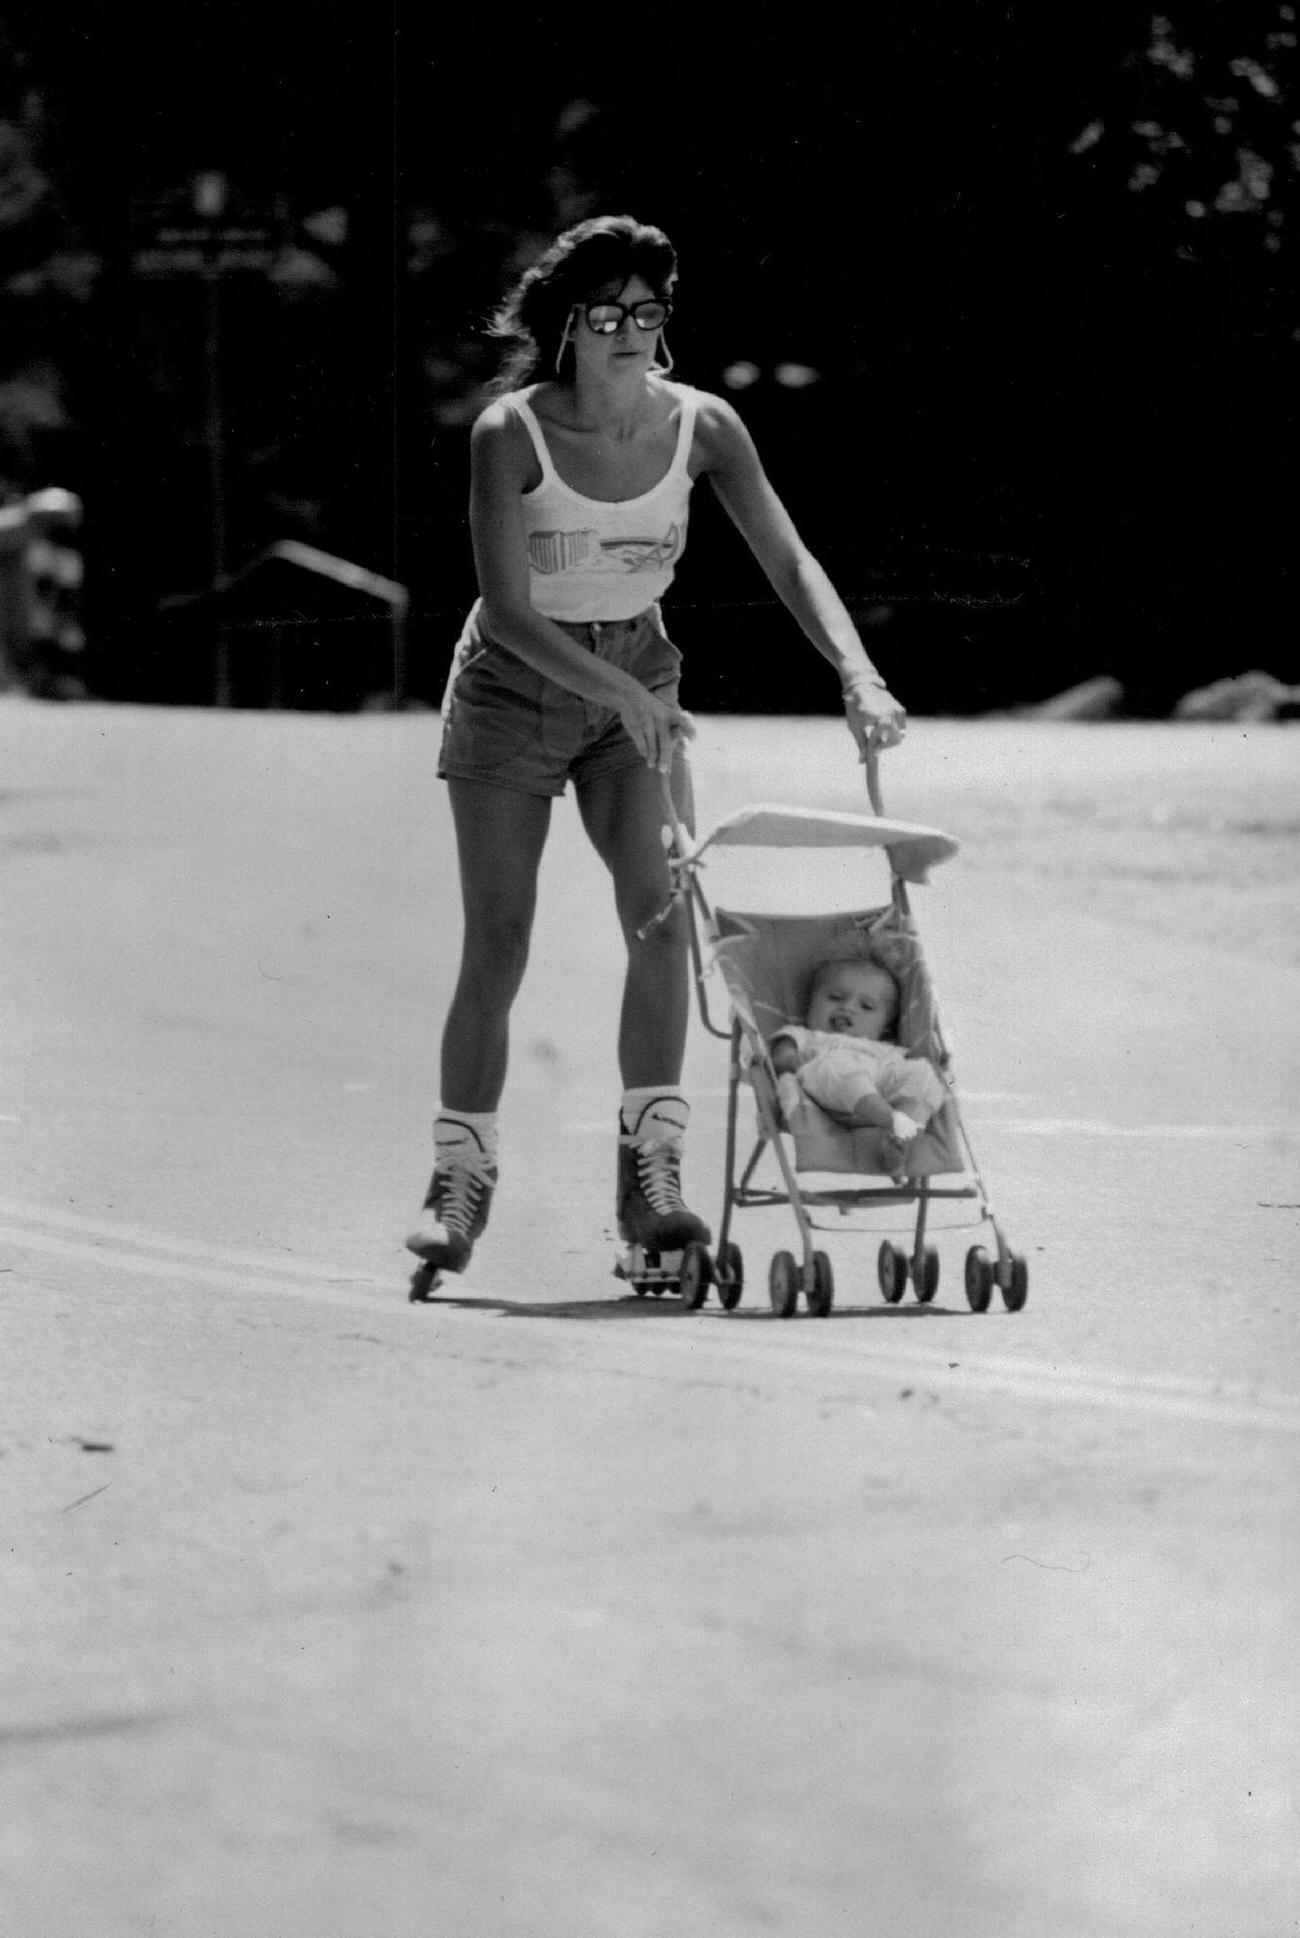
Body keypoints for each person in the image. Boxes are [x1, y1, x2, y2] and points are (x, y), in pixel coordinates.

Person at [406, 213, 907, 1281]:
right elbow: (503, 609)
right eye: (608, 314)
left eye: (649, 312)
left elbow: (791, 559)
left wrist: (855, 672)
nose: (631, 332)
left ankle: (653, 1180)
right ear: (567, 325)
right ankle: (460, 1178)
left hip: (637, 673)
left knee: (661, 919)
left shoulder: (703, 426)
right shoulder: (513, 433)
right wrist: (612, 691)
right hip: (511, 691)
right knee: (498, 937)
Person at [769, 949, 946, 1160]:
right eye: (835, 997)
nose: (848, 1007)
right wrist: (790, 1060)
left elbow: (905, 1078)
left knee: (923, 1072)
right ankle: (892, 1121)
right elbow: (778, 1054)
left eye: (867, 1006)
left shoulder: (886, 1049)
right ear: (810, 1005)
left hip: (881, 1085)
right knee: (834, 1066)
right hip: (830, 1096)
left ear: (885, 1026)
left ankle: (902, 1140)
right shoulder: (806, 1036)